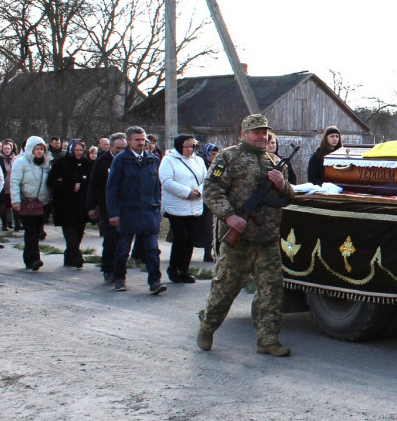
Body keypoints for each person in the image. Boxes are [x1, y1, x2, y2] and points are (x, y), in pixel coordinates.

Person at [197, 114, 295, 357]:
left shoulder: (274, 161)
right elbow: (211, 190)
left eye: (265, 133)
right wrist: (230, 216)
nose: (262, 137)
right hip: (238, 238)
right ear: (244, 134)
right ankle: (208, 327)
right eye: (256, 132)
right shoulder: (228, 157)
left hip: (268, 238)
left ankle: (268, 340)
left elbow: (289, 198)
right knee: (225, 288)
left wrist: (283, 185)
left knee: (271, 291)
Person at [106, 126, 166, 294]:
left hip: (149, 211)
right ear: (129, 141)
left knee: (152, 248)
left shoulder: (153, 160)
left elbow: (157, 187)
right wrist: (114, 213)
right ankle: (119, 278)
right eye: (137, 140)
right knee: (123, 248)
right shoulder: (121, 160)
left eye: (143, 139)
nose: (141, 143)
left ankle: (155, 281)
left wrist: (157, 206)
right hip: (128, 211)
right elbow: (112, 189)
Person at [159, 134, 207, 284]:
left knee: (190, 239)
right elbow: (166, 181)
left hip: (194, 205)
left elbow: (207, 179)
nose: (189, 150)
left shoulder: (198, 160)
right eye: (186, 147)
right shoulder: (168, 160)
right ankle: (173, 268)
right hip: (177, 205)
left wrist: (199, 191)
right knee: (181, 236)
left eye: (191, 147)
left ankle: (184, 270)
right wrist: (187, 193)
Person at [10, 135, 53, 271]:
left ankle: (31, 258)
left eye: (41, 149)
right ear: (30, 149)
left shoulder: (46, 164)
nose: (39, 151)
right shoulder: (20, 162)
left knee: (37, 231)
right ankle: (33, 259)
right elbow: (15, 182)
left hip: (42, 203)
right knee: (30, 231)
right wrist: (16, 200)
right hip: (26, 202)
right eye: (37, 149)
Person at [87, 132, 125, 282]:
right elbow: (93, 184)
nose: (120, 151)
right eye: (118, 148)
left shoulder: (128, 160)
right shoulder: (102, 161)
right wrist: (91, 206)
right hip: (107, 207)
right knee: (110, 239)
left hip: (125, 207)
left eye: (123, 148)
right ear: (111, 146)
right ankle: (108, 267)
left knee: (122, 240)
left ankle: (120, 268)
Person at [49, 139, 90, 268]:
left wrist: (81, 185)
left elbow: (91, 181)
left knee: (79, 231)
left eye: (81, 150)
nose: (78, 153)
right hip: (65, 205)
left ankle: (69, 256)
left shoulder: (86, 163)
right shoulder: (61, 163)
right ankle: (77, 256)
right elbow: (52, 182)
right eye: (76, 150)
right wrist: (69, 185)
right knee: (70, 232)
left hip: (81, 204)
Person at [0, 139, 17, 231]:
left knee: (11, 206)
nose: (6, 150)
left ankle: (12, 222)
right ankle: (4, 223)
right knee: (3, 206)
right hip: (3, 185)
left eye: (8, 148)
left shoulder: (15, 159)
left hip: (13, 185)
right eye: (4, 148)